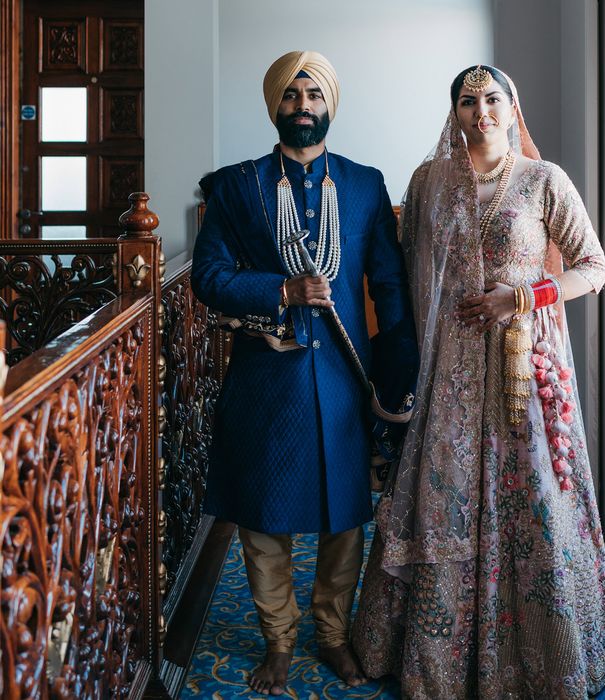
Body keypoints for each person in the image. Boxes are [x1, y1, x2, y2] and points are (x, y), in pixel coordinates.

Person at [351, 64, 605, 699]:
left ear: (511, 105)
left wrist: (524, 296)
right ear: (455, 113)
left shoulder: (544, 181)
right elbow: (409, 273)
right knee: (442, 494)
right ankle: (435, 661)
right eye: (468, 101)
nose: (481, 111)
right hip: (448, 370)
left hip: (519, 367)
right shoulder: (428, 183)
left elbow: (594, 266)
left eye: (492, 98)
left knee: (530, 496)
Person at [191, 50, 416, 696]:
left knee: (345, 515)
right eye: (291, 97)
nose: (303, 107)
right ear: (275, 106)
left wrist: (398, 365)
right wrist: (283, 289)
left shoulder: (366, 185)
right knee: (265, 518)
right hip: (268, 381)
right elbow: (210, 278)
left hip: (346, 380)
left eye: (313, 95)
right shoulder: (236, 187)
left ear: (329, 105)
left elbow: (390, 284)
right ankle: (279, 642)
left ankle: (334, 633)